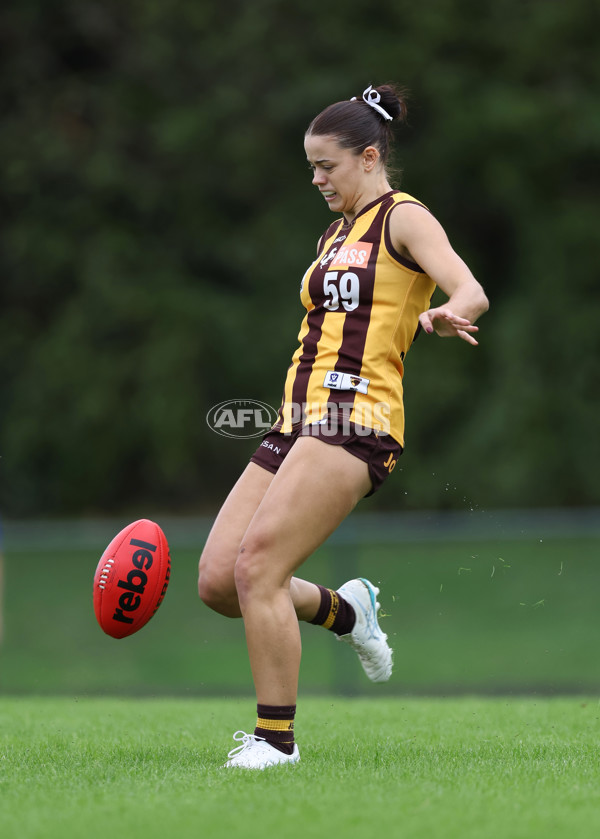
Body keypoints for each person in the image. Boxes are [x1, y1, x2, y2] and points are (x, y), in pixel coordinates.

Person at [198, 83, 489, 769]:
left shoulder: (404, 218)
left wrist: (449, 312)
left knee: (259, 567)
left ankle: (276, 741)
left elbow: (468, 286)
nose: (316, 178)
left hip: (357, 418)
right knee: (219, 581)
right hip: (295, 420)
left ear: (368, 156)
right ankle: (347, 611)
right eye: (310, 166)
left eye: (326, 165)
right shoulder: (332, 233)